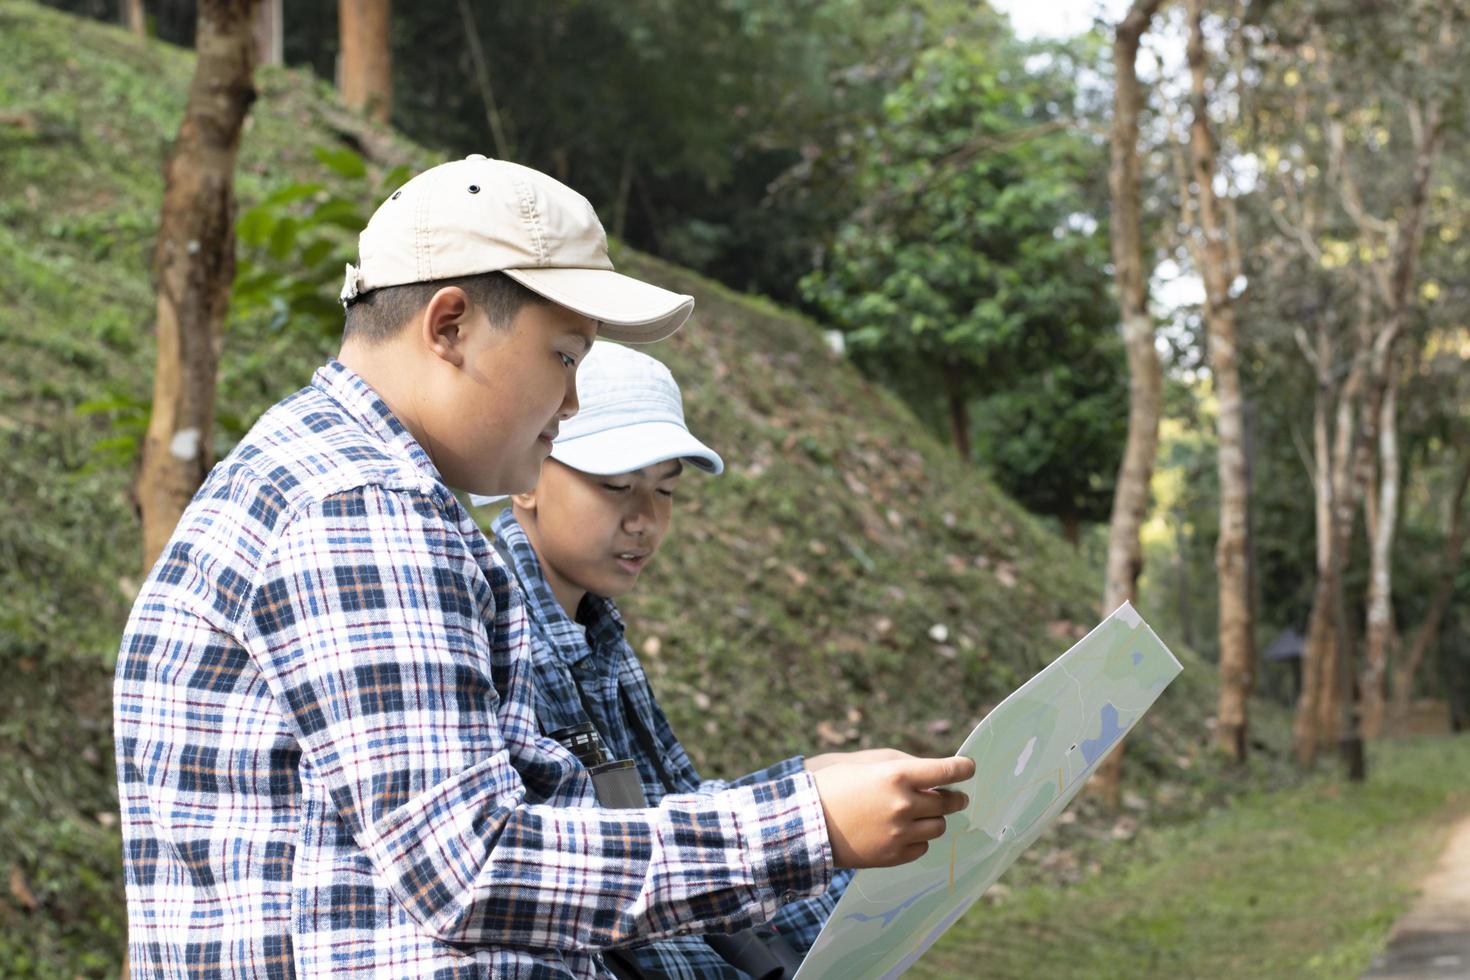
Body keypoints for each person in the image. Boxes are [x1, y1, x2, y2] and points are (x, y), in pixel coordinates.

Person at [114, 155, 974, 978]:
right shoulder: (360, 507)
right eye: (564, 357)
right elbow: (471, 868)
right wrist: (803, 828)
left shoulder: (346, 482)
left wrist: (797, 801)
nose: (569, 404)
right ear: (448, 326)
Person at [479, 341, 907, 977]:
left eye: (666, 491)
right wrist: (811, 817)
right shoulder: (495, 636)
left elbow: (667, 806)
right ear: (528, 473)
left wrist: (813, 780)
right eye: (617, 486)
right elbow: (583, 872)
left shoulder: (598, 636)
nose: (644, 520)